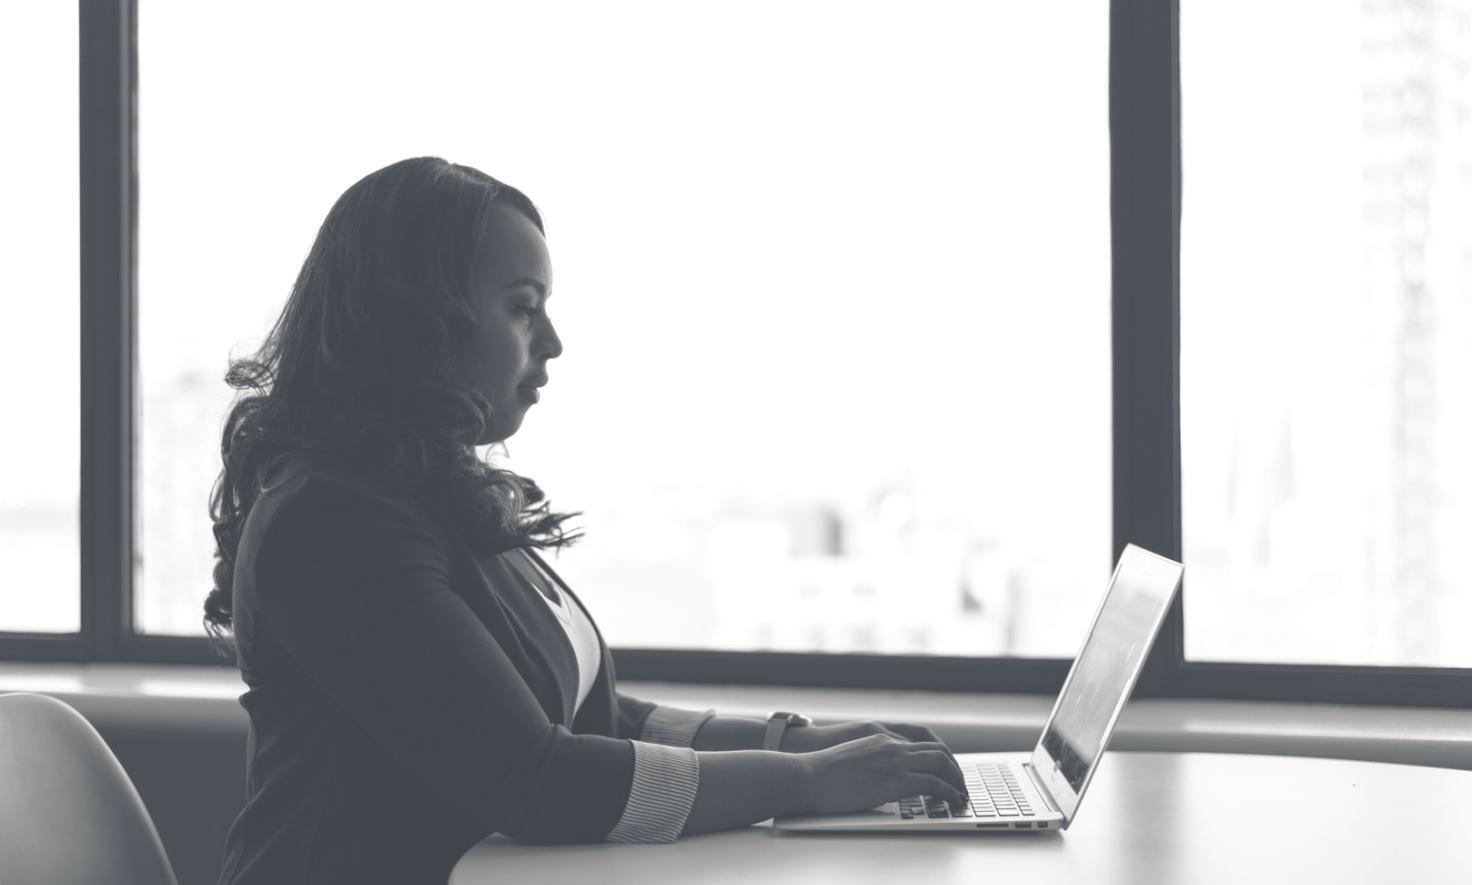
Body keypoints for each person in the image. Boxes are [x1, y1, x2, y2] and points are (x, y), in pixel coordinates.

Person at [203, 156, 971, 884]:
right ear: (419, 322)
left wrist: (790, 739)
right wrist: (804, 780)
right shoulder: (332, 523)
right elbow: (536, 777)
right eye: (522, 307)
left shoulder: (432, 494)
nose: (554, 342)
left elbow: (599, 718)